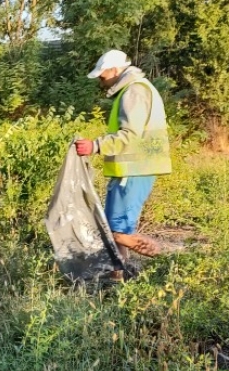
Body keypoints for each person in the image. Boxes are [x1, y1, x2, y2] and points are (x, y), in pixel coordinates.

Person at [75, 49, 172, 265]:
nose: (100, 81)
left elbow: (129, 135)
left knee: (116, 231)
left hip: (135, 169)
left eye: (102, 75)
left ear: (115, 70)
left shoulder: (135, 91)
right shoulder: (132, 90)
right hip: (130, 169)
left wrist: (95, 146)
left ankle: (163, 255)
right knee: (114, 228)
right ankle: (118, 274)